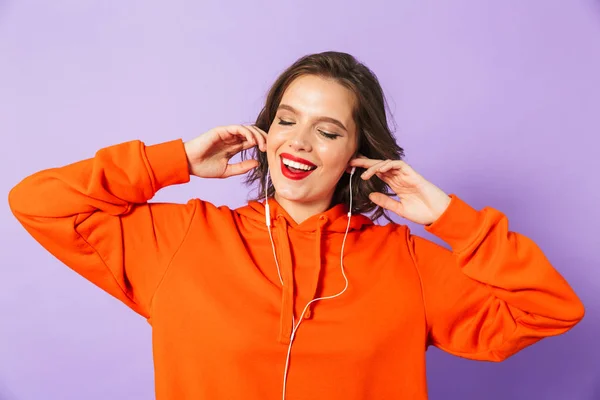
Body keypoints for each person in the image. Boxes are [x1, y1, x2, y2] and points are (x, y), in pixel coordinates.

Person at [9, 51, 584, 400]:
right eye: (287, 119)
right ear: (266, 132)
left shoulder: (407, 262)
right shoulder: (185, 239)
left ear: (359, 153)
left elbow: (550, 309)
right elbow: (38, 201)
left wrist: (448, 217)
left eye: (329, 130)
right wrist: (175, 160)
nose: (300, 141)